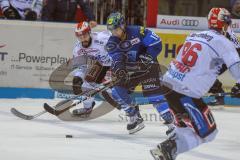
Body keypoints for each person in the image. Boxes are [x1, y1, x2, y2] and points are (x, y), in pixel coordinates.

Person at [150, 8, 240, 160]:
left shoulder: (193, 35)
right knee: (209, 133)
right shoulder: (224, 42)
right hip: (186, 93)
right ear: (224, 24)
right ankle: (169, 148)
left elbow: (187, 63)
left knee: (184, 131)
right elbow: (237, 69)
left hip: (168, 86)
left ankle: (169, 152)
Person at [106, 12, 174, 134]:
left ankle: (173, 125)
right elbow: (117, 58)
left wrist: (148, 56)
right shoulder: (111, 42)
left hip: (148, 68)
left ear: (122, 25)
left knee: (155, 96)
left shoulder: (138, 31)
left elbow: (156, 42)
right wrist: (120, 70)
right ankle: (135, 117)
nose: (114, 32)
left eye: (116, 29)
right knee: (117, 91)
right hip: (132, 71)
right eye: (111, 30)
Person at [71, 21, 112, 116]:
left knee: (111, 94)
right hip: (100, 66)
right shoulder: (78, 49)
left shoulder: (101, 38)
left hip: (115, 65)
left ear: (90, 32)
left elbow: (115, 36)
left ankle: (130, 107)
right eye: (80, 37)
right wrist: (77, 78)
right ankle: (87, 108)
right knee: (86, 85)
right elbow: (81, 67)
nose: (83, 39)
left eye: (84, 36)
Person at [207, 25, 240, 106]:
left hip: (231, 54)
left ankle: (218, 93)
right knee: (206, 72)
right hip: (227, 54)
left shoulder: (224, 29)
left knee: (206, 73)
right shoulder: (224, 28)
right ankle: (218, 94)